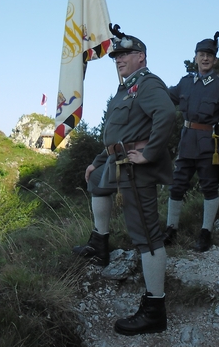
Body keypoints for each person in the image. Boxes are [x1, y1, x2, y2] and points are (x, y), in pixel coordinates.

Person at [72, 32, 176, 336]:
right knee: (97, 185)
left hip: (135, 166)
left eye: (125, 55)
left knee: (146, 233)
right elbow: (118, 130)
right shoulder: (125, 89)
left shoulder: (147, 83)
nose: (119, 60)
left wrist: (149, 153)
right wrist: (97, 158)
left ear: (141, 57)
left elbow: (166, 113)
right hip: (115, 158)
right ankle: (99, 245)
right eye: (116, 57)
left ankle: (155, 308)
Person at [163, 32, 219, 252]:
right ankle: (170, 229)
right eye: (202, 55)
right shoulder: (185, 83)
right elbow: (165, 96)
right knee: (176, 187)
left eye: (209, 56)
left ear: (214, 60)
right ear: (195, 57)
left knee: (210, 188)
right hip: (186, 144)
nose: (205, 59)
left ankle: (206, 232)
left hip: (208, 146)